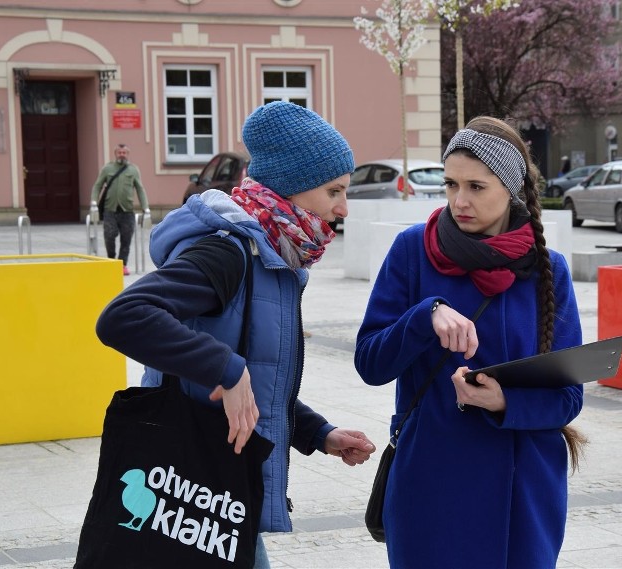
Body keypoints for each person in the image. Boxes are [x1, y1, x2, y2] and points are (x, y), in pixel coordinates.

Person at [94, 101, 376, 568]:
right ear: (292, 187)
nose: (342, 208)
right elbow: (124, 316)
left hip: (220, 484)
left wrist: (318, 433)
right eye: (334, 191)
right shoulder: (228, 253)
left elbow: (257, 367)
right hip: (190, 483)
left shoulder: (273, 256)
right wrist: (225, 368)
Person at [354, 116, 587, 569]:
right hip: (432, 483)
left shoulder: (548, 269)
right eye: (450, 184)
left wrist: (505, 402)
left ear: (510, 187)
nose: (459, 201)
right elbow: (370, 363)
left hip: (526, 488)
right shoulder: (412, 251)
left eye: (476, 187)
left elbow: (568, 398)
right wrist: (424, 316)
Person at [90, 143, 150, 276]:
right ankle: (112, 261)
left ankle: (123, 265)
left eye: (124, 153)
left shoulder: (133, 170)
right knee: (109, 236)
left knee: (126, 239)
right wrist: (94, 202)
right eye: (119, 152)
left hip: (127, 210)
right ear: (115, 153)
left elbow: (140, 189)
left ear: (128, 154)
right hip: (109, 210)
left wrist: (146, 208)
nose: (122, 155)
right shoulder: (108, 168)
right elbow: (97, 186)